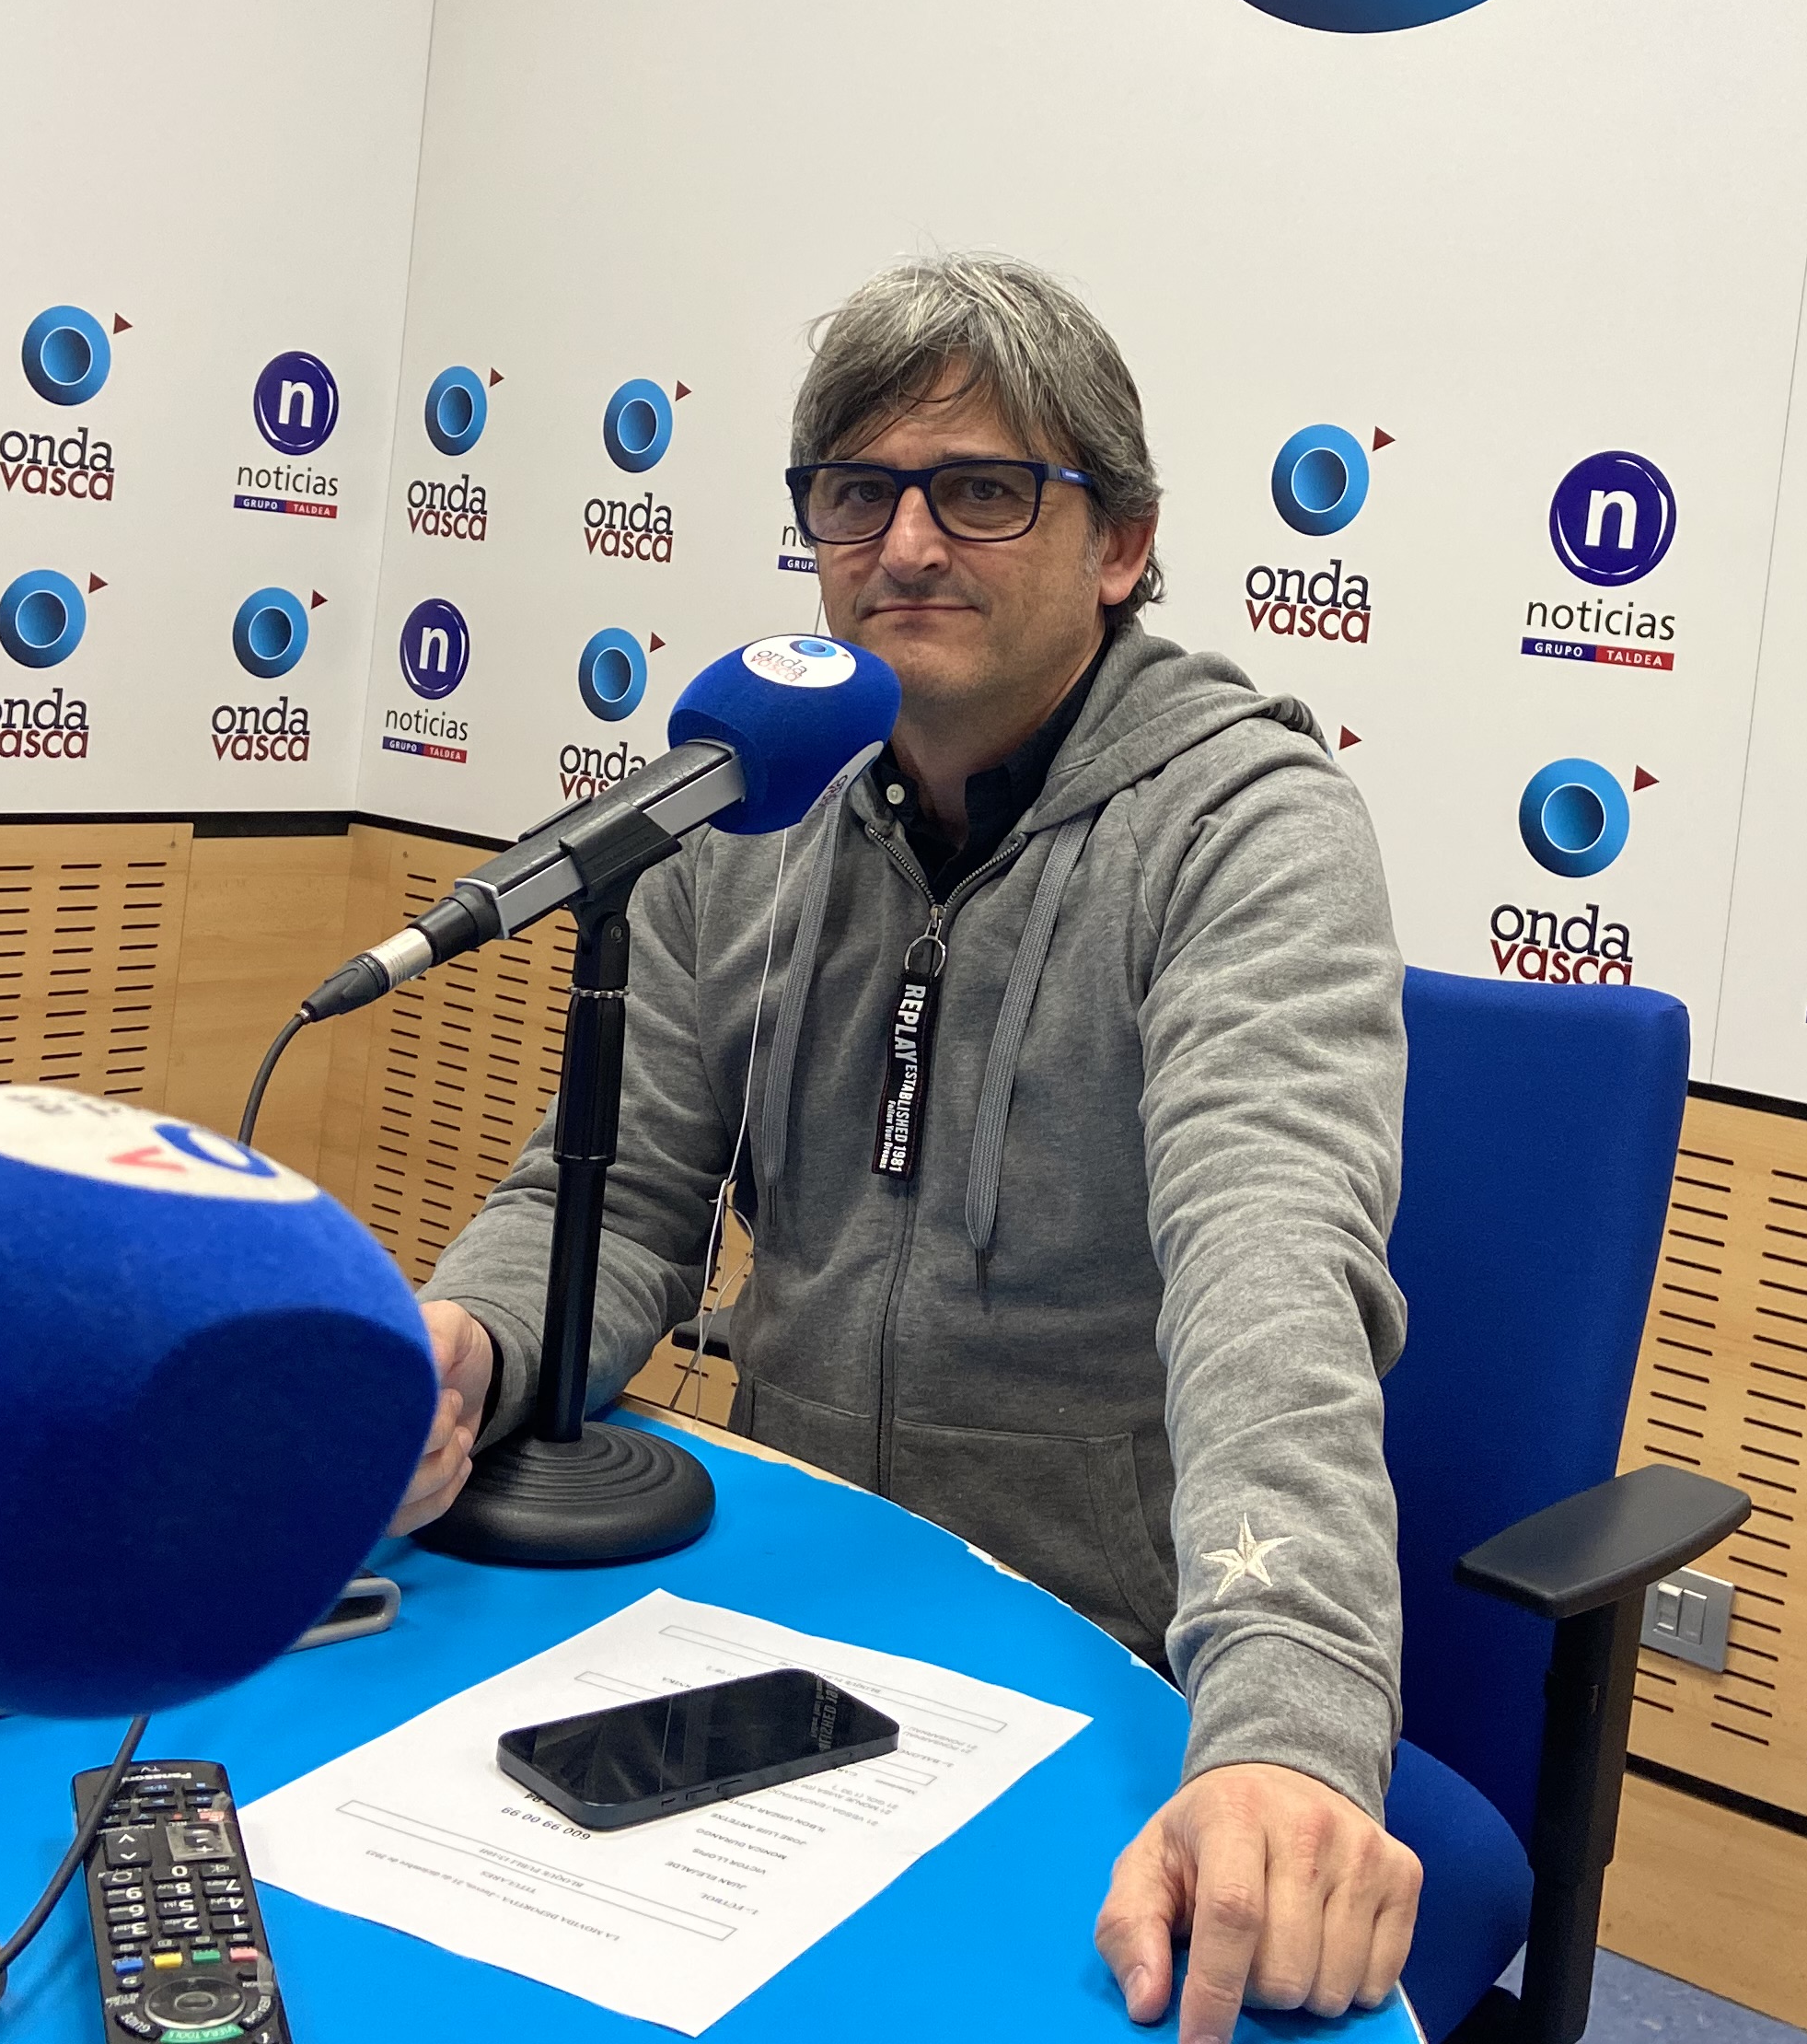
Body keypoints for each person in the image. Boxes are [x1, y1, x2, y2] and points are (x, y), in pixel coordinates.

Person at [401, 253, 1419, 2038]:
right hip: (764, 1582)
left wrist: (1289, 1729)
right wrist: (465, 1346)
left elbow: (1267, 1273)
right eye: (859, 492)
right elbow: (617, 1194)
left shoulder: (1246, 832)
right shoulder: (746, 808)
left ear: (1121, 544)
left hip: (1096, 1642)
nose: (909, 546)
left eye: (985, 491)